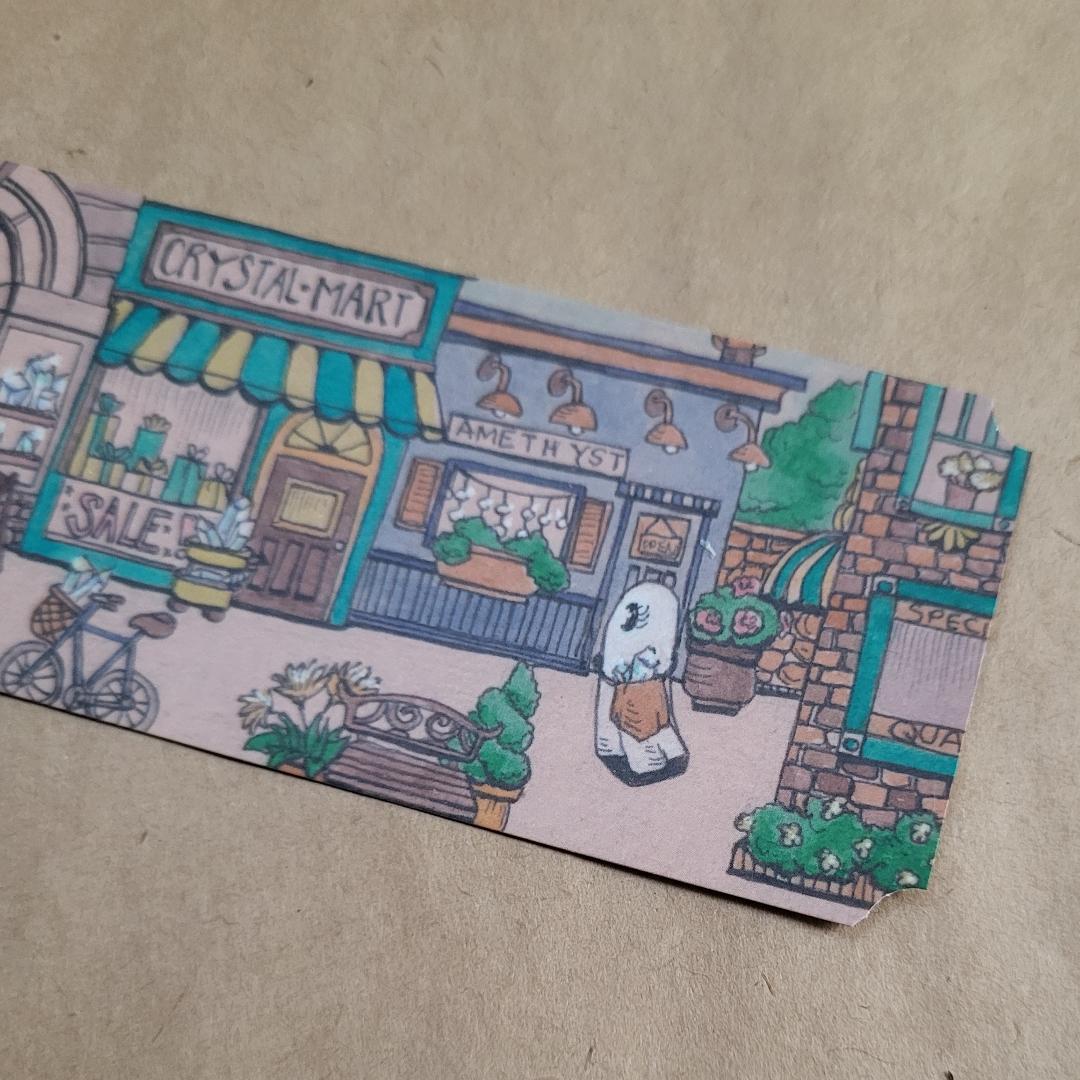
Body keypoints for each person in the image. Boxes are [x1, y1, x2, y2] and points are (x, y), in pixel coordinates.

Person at [593, 581, 688, 786]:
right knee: (636, 719)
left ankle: (644, 757)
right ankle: (647, 759)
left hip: (632, 673)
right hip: (634, 673)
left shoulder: (650, 608)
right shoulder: (658, 607)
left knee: (636, 718)